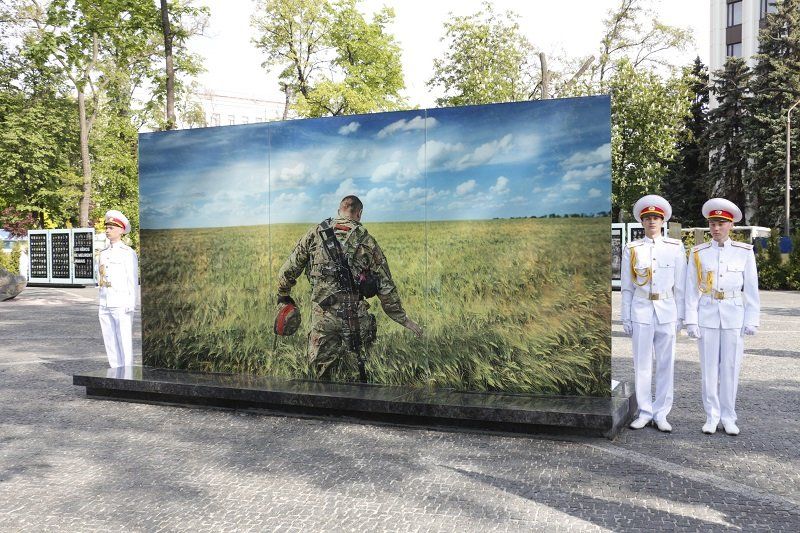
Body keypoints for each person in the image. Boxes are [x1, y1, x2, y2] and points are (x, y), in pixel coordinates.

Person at [277, 195, 422, 380]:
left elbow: (287, 271)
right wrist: (404, 320)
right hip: (355, 318)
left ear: (339, 211)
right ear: (359, 214)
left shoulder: (315, 234)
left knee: (321, 377)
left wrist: (283, 297)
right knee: (359, 373)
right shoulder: (367, 241)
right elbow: (386, 287)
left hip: (323, 319)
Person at [685, 198, 759, 436]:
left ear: (731, 226)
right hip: (707, 313)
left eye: (721, 223)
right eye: (712, 223)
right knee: (708, 369)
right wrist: (691, 319)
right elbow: (691, 288)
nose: (716, 228)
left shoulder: (744, 252)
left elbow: (751, 289)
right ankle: (711, 416)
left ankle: (728, 416)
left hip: (733, 314)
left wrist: (751, 319)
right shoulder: (699, 253)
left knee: (730, 367)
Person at [621, 194, 686, 433]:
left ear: (663, 221)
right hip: (641, 310)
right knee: (642, 364)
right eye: (647, 218)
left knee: (666, 364)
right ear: (641, 221)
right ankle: (645, 411)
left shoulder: (675, 247)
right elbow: (627, 287)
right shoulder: (633, 248)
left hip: (667, 310)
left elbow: (680, 286)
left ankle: (661, 413)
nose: (651, 222)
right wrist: (625, 316)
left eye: (656, 218)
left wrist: (682, 317)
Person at [97, 209, 139, 369]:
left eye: (111, 228)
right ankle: (115, 370)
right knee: (109, 338)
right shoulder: (103, 253)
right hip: (105, 301)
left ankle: (127, 371)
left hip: (121, 303)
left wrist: (131, 303)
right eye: (106, 227)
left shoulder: (128, 253)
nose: (107, 230)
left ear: (121, 230)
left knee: (123, 339)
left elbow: (132, 280)